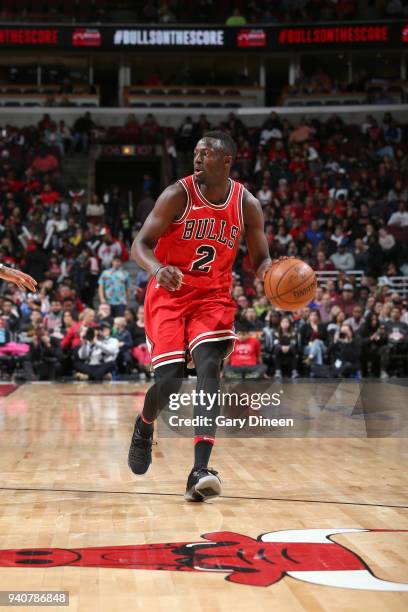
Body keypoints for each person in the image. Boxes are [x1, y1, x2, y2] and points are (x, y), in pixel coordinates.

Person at [128, 131, 272, 502]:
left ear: (226, 161)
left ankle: (199, 470)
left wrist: (275, 274)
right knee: (170, 383)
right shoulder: (177, 194)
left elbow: (261, 260)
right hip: (170, 295)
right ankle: (145, 425)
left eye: (205, 153)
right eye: (195, 152)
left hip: (212, 296)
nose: (197, 158)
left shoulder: (247, 204)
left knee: (210, 364)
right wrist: (158, 269)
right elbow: (139, 245)